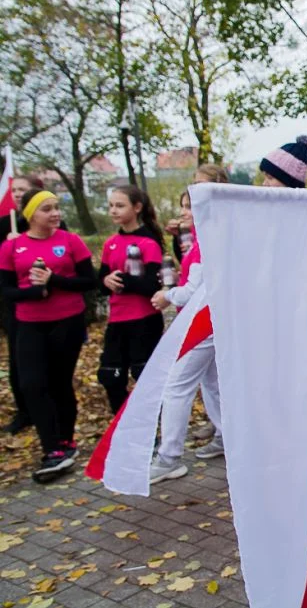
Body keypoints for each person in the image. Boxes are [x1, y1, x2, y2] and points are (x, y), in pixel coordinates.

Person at [0, 188, 95, 481]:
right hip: (29, 322)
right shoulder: (11, 248)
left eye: (56, 207)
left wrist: (55, 280)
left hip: (67, 320)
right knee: (31, 384)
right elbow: (4, 290)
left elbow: (88, 281)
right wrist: (31, 292)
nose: (55, 213)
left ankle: (65, 442)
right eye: (47, 209)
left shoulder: (71, 241)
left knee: (59, 383)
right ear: (30, 215)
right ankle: (51, 447)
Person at [148, 190, 224, 483]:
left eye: (190, 207)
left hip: (203, 325)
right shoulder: (199, 240)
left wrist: (166, 295)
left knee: (176, 385)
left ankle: (169, 457)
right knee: (213, 384)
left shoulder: (207, 241)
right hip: (208, 323)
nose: (184, 212)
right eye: (182, 206)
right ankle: (228, 438)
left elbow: (195, 292)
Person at [97, 186, 165, 414]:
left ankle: (149, 426)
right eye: (111, 206)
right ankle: (124, 421)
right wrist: (107, 281)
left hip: (144, 320)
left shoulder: (149, 243)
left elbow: (152, 285)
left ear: (137, 208)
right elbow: (100, 284)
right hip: (117, 320)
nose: (114, 211)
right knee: (110, 376)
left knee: (143, 375)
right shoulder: (110, 243)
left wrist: (124, 281)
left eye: (120, 205)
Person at [1, 174, 48, 434]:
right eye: (14, 189)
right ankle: (25, 411)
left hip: (49, 310)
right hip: (16, 309)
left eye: (22, 190)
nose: (17, 194)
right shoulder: (4, 223)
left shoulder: (51, 222)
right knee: (20, 366)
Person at [164, 164, 229, 264]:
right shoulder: (197, 228)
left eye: (200, 185)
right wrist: (178, 237)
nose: (195, 189)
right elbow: (186, 264)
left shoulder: (223, 223)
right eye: (194, 185)